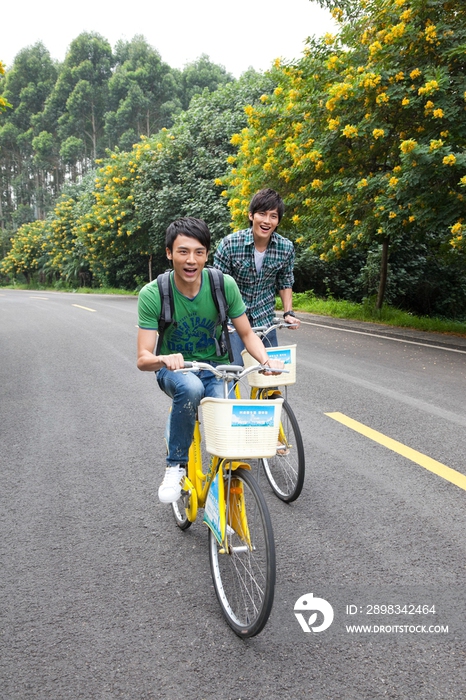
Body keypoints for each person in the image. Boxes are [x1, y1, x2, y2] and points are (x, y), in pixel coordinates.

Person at [137, 216, 283, 504]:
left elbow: (246, 333)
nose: (191, 260)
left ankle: (222, 504)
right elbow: (143, 358)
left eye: (199, 252)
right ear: (169, 253)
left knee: (227, 428)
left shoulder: (223, 285)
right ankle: (175, 466)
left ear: (207, 254)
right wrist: (164, 359)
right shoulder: (154, 293)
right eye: (183, 251)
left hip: (217, 368)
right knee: (190, 389)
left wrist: (266, 360)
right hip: (175, 371)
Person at [213, 188, 300, 365]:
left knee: (273, 374)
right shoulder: (230, 244)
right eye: (262, 214)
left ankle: (267, 392)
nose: (267, 221)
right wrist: (220, 319)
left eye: (273, 216)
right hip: (233, 321)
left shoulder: (285, 248)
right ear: (251, 215)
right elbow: (217, 285)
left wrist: (288, 313)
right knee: (231, 372)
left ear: (278, 221)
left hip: (264, 320)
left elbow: (285, 281)